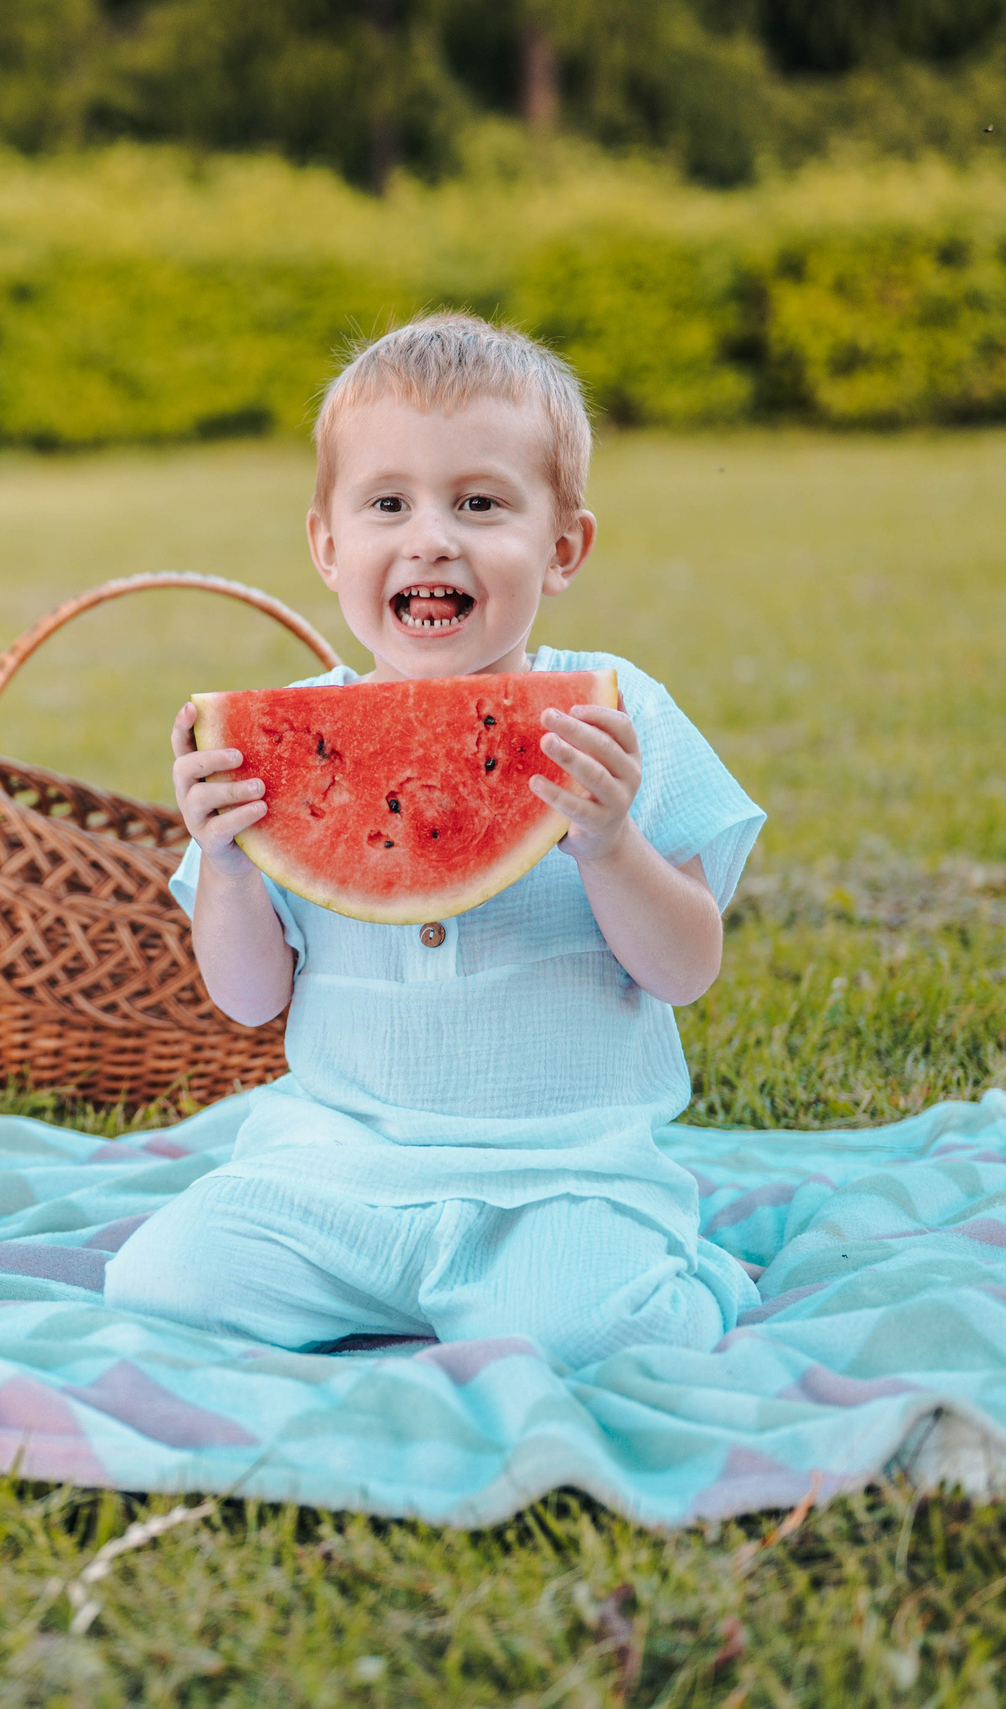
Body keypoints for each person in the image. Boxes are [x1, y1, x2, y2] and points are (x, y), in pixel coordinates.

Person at [103, 314, 766, 1368]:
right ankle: (456, 1303)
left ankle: (671, 1271)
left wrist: (609, 844)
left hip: (559, 1179)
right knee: (159, 1285)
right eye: (387, 503)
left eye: (479, 503)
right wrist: (226, 866)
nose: (430, 539)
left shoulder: (615, 715)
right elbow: (249, 998)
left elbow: (685, 968)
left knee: (600, 1332)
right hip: (333, 1172)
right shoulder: (283, 744)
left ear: (563, 548)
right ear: (327, 545)